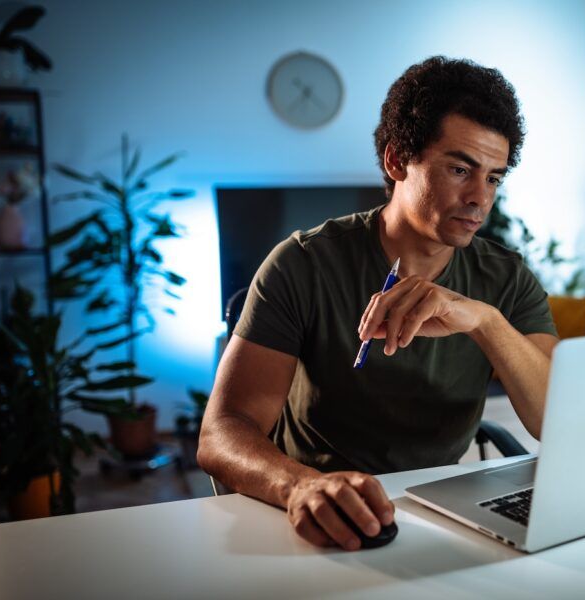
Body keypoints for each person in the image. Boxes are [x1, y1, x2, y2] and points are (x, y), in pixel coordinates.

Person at [198, 56, 559, 551]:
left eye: (494, 178)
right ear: (396, 161)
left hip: (441, 509)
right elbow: (221, 433)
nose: (480, 197)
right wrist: (299, 485)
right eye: (460, 169)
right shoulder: (302, 264)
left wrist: (486, 322)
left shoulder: (506, 278)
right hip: (323, 508)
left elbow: (553, 422)